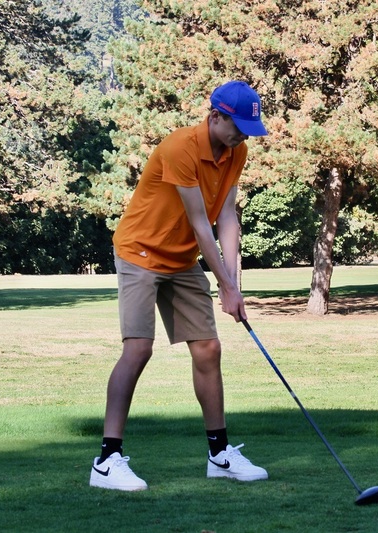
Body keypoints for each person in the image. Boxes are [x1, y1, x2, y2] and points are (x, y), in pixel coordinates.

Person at [90, 80, 269, 491]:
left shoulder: (235, 152)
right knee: (138, 347)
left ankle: (219, 455)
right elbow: (199, 222)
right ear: (215, 116)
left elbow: (226, 217)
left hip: (183, 257)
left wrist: (234, 284)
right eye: (236, 126)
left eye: (247, 128)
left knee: (208, 346)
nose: (242, 135)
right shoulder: (180, 148)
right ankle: (106, 461)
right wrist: (223, 285)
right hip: (141, 252)